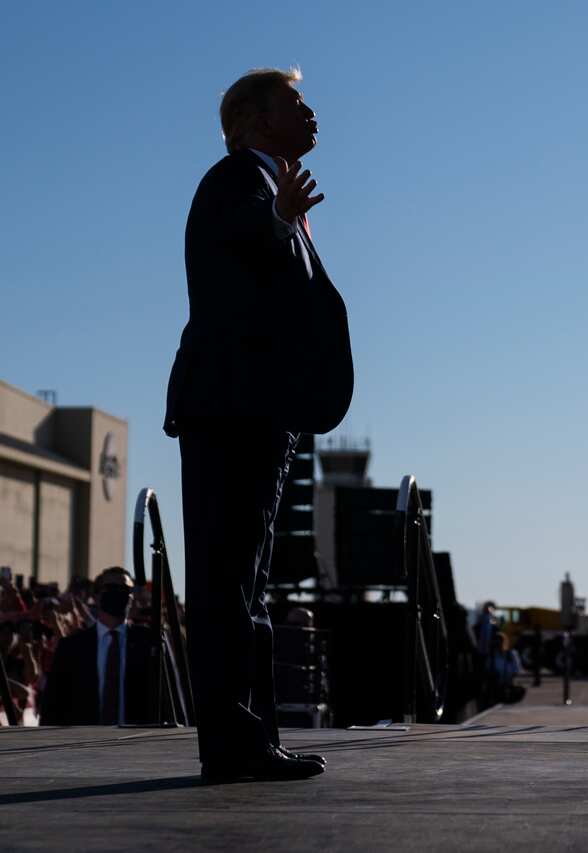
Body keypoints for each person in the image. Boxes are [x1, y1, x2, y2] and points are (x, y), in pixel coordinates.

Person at [163, 67, 353, 781]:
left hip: (258, 414)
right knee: (225, 582)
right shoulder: (234, 180)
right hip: (228, 410)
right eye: (296, 104)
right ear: (252, 120)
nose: (311, 114)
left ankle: (251, 739)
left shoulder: (271, 190)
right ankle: (233, 742)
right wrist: (277, 218)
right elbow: (239, 237)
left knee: (246, 582)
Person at [40, 569, 154, 726]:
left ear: (131, 597)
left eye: (124, 589)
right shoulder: (72, 647)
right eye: (110, 588)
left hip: (137, 742)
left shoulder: (148, 643)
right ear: (96, 596)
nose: (117, 593)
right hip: (84, 743)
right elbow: (53, 705)